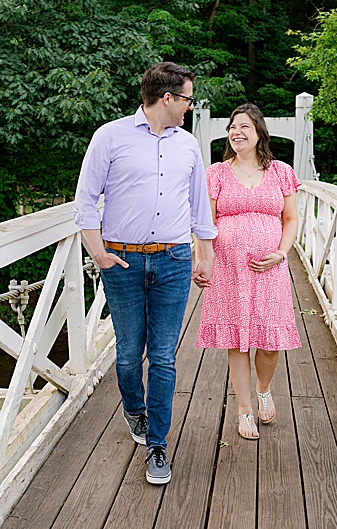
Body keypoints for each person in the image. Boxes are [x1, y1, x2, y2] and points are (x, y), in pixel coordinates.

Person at [73, 62, 217, 485]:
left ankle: (158, 444)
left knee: (164, 356)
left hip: (174, 260)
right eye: (188, 99)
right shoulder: (110, 137)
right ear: (168, 98)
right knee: (127, 354)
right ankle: (134, 408)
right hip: (122, 261)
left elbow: (199, 207)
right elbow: (85, 202)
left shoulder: (189, 145)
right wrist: (98, 252)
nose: (191, 107)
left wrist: (204, 255)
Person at [195, 102, 301, 440]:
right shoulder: (215, 174)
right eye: (232, 127)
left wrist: (281, 254)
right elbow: (205, 224)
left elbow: (291, 219)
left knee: (269, 342)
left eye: (244, 127)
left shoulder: (282, 171)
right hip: (228, 268)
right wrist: (203, 260)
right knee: (238, 340)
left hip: (270, 267)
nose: (236, 132)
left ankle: (263, 389)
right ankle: (244, 410)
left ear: (259, 134)